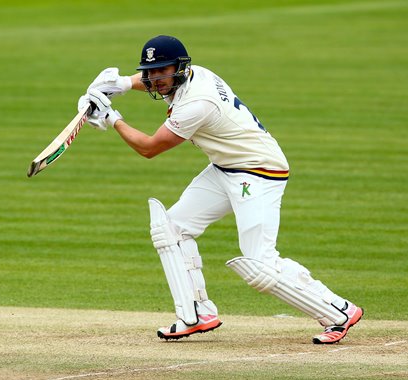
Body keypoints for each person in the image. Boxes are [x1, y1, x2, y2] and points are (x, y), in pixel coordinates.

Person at [78, 35, 362, 344]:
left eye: (163, 71)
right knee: (171, 229)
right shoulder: (193, 74)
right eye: (151, 72)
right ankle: (196, 313)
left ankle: (339, 311)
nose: (156, 79)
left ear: (180, 69)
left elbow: (149, 148)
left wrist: (111, 117)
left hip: (258, 172)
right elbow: (149, 79)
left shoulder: (197, 104)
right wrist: (119, 84)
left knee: (259, 264)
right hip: (225, 167)